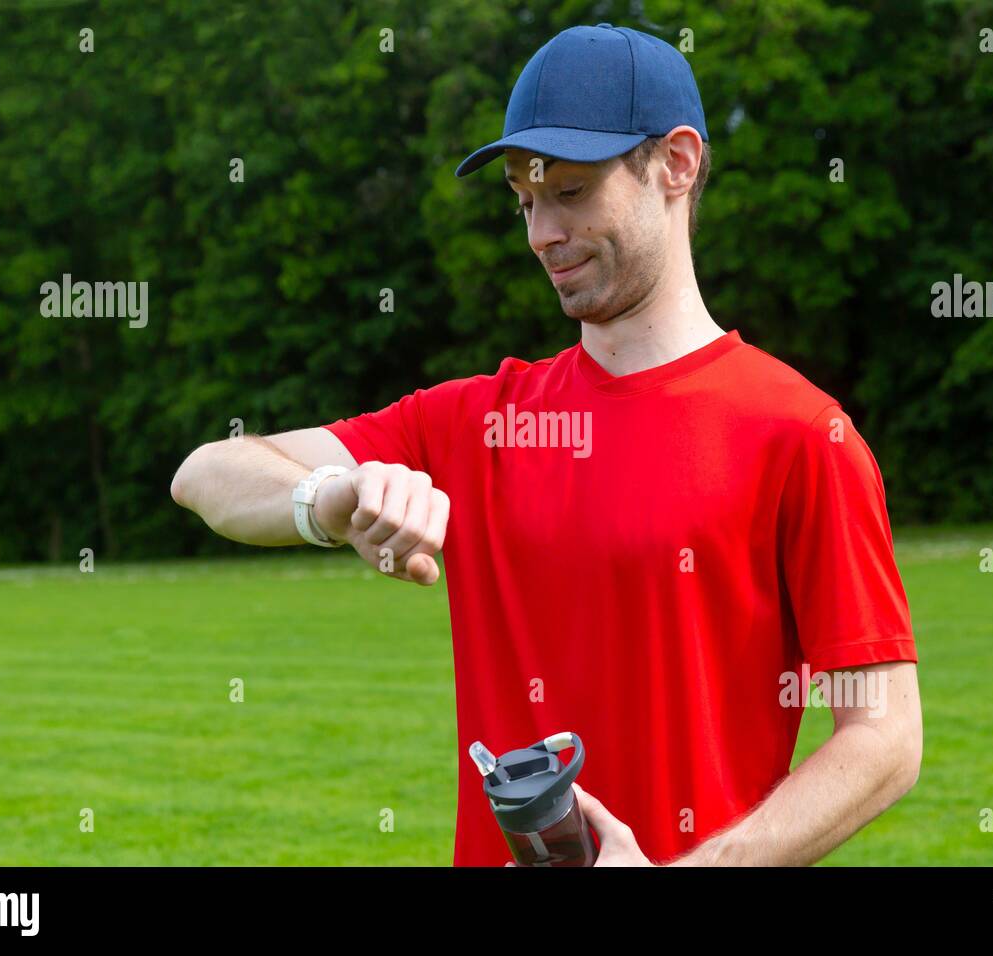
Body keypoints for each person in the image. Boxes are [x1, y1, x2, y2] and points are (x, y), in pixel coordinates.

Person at [170, 23, 922, 867]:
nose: (540, 234)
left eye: (570, 192)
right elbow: (205, 474)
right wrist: (336, 501)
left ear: (677, 163)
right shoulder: (475, 422)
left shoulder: (800, 434)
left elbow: (885, 734)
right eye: (526, 202)